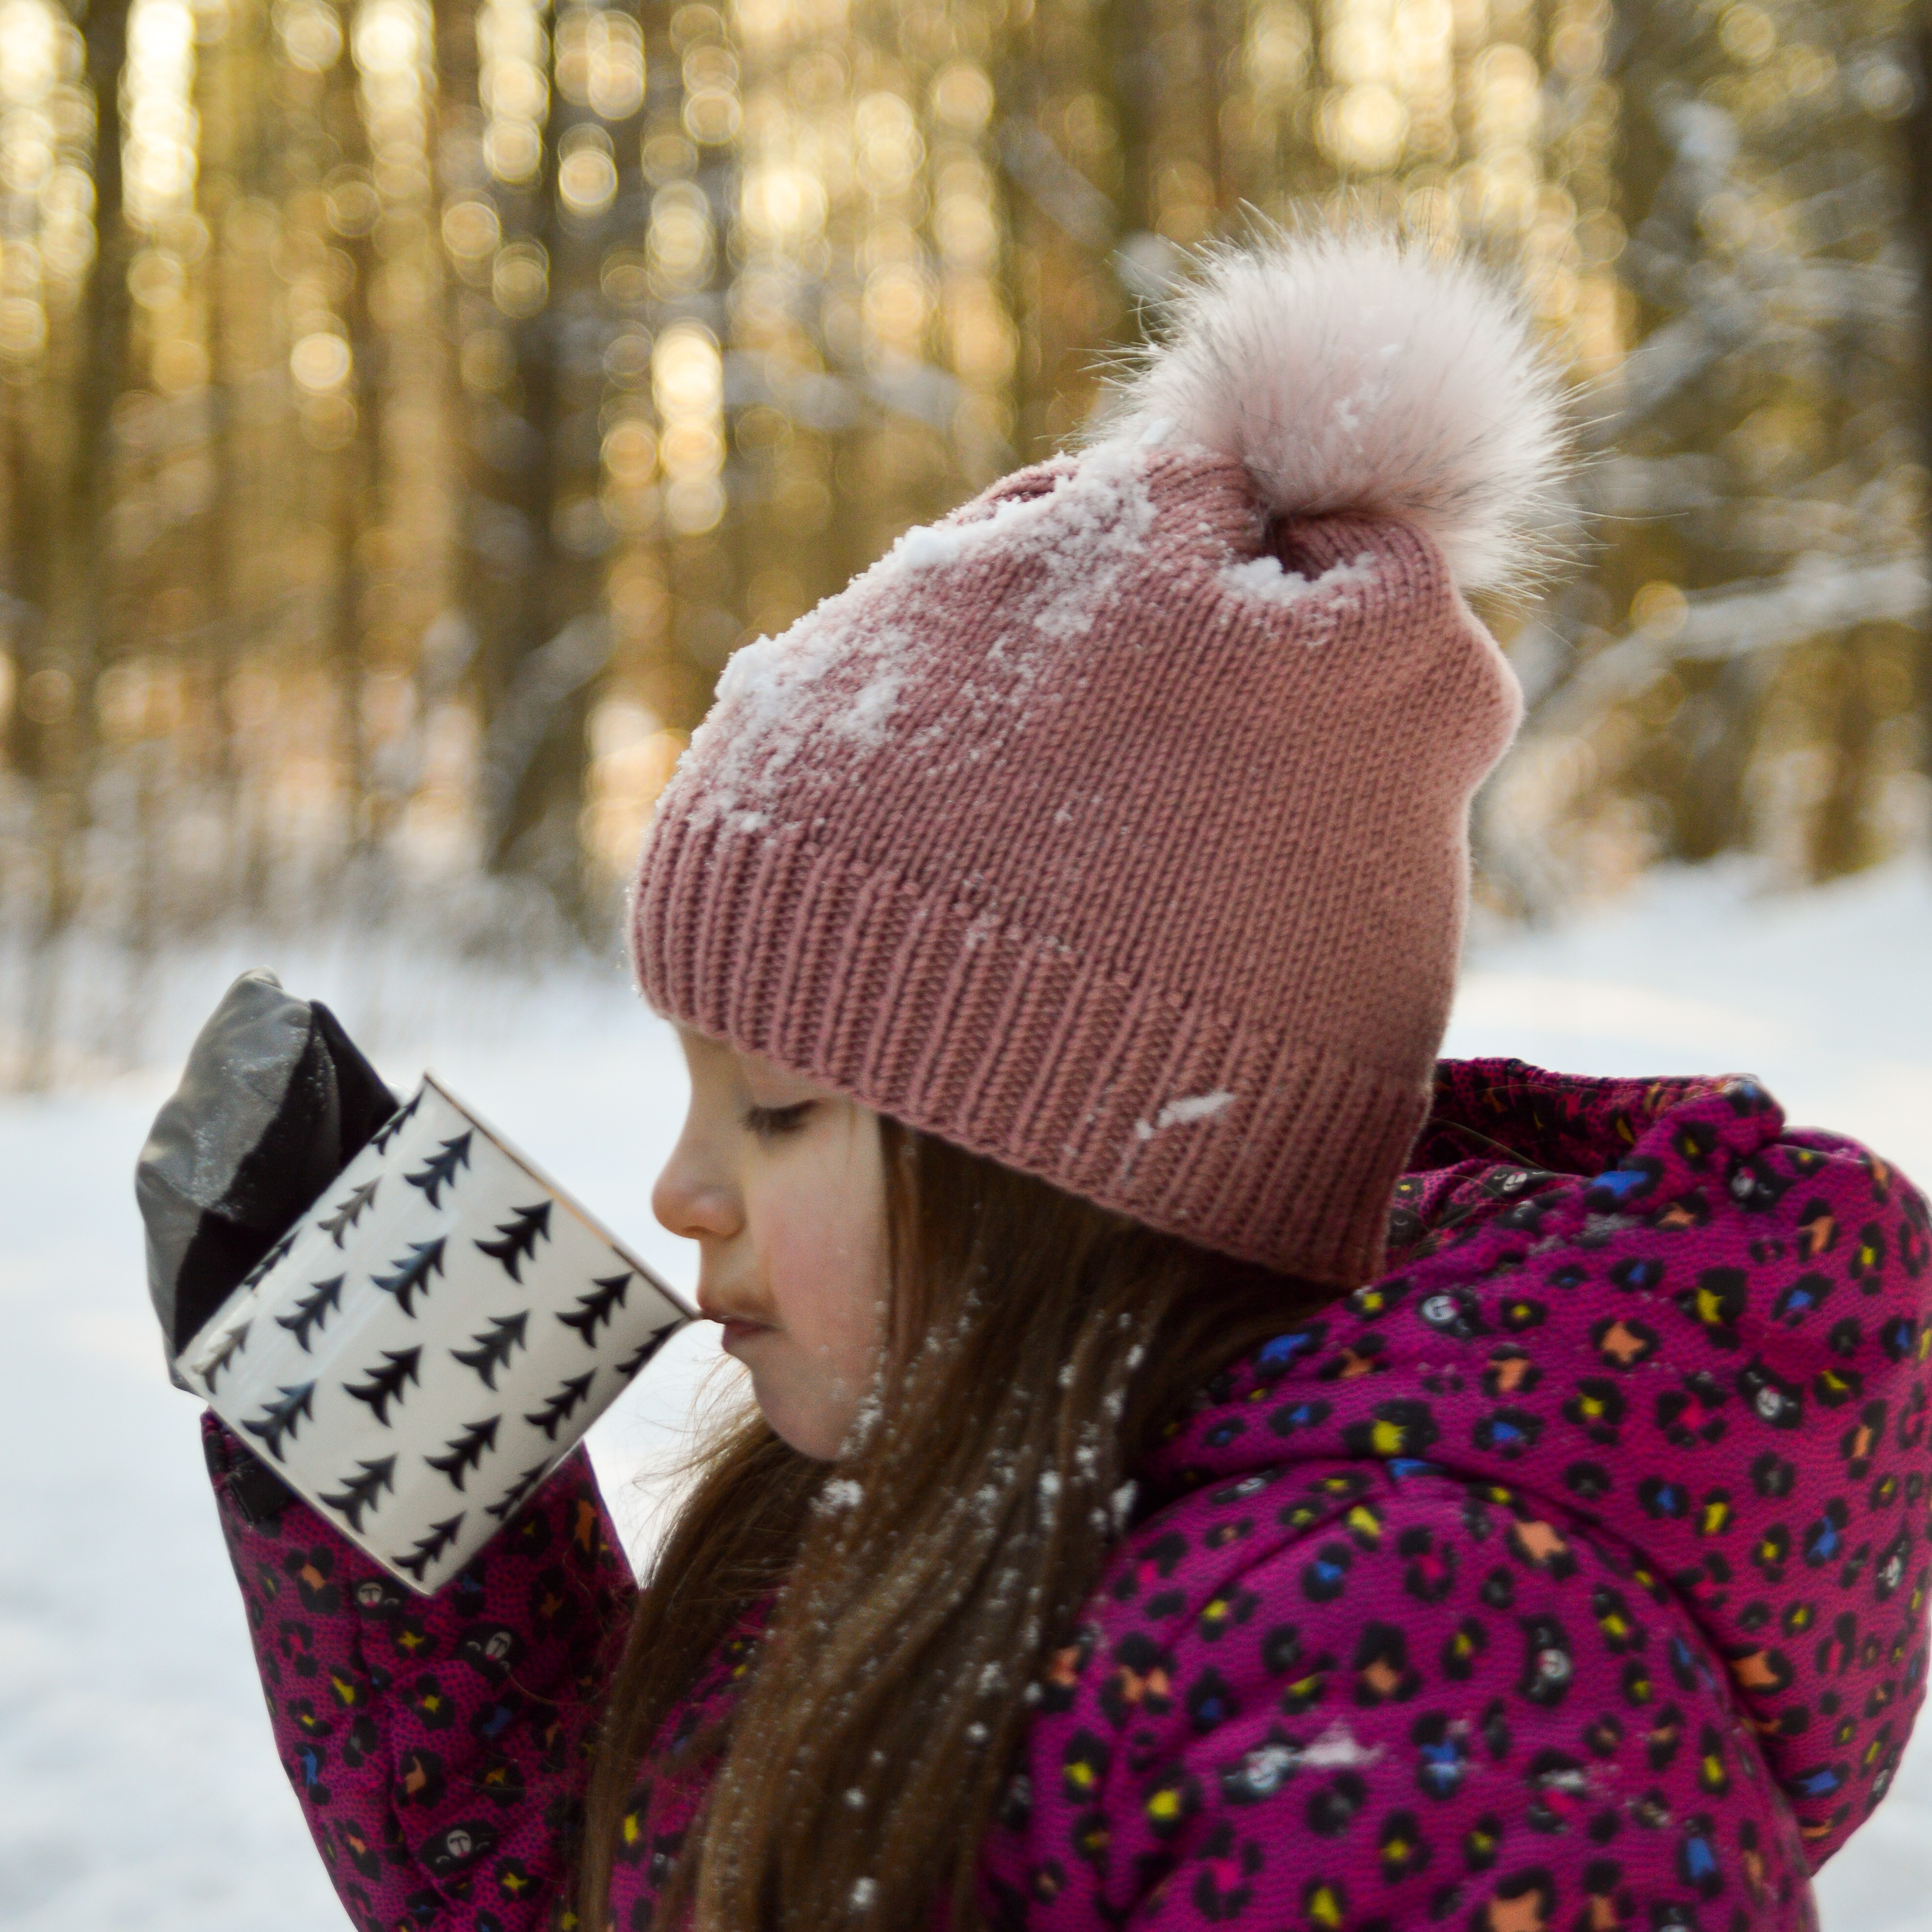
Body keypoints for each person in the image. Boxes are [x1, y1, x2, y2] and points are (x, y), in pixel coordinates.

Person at [138, 230, 1932, 1932]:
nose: (684, 1190)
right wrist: (385, 1371)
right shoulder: (944, 1514)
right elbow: (628, 1884)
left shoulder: (1412, 1691)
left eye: (778, 1109)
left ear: (1085, 1160)